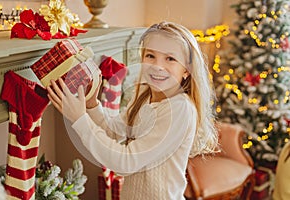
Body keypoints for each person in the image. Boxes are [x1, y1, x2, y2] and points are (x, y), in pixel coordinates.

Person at [47, 21, 218, 199]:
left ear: (187, 69)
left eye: (170, 58)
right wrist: (91, 104)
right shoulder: (145, 95)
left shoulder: (179, 108)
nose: (157, 66)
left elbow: (126, 163)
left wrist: (79, 120)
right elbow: (114, 131)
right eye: (150, 55)